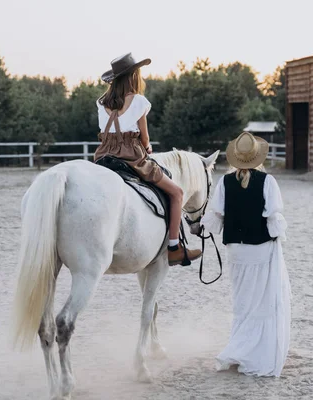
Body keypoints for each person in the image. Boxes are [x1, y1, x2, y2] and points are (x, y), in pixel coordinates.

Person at [94, 53, 201, 266]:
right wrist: (147, 147)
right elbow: (144, 137)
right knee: (177, 193)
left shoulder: (101, 102)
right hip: (131, 157)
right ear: (133, 76)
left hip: (104, 156)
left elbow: (105, 132)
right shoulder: (139, 101)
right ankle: (173, 247)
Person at [200, 131, 291, 377]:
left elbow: (216, 215)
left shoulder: (225, 183)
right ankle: (254, 351)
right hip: (260, 247)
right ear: (257, 157)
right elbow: (273, 215)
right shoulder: (267, 181)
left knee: (242, 302)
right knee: (261, 302)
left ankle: (239, 346)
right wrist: (278, 237)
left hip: (235, 251)